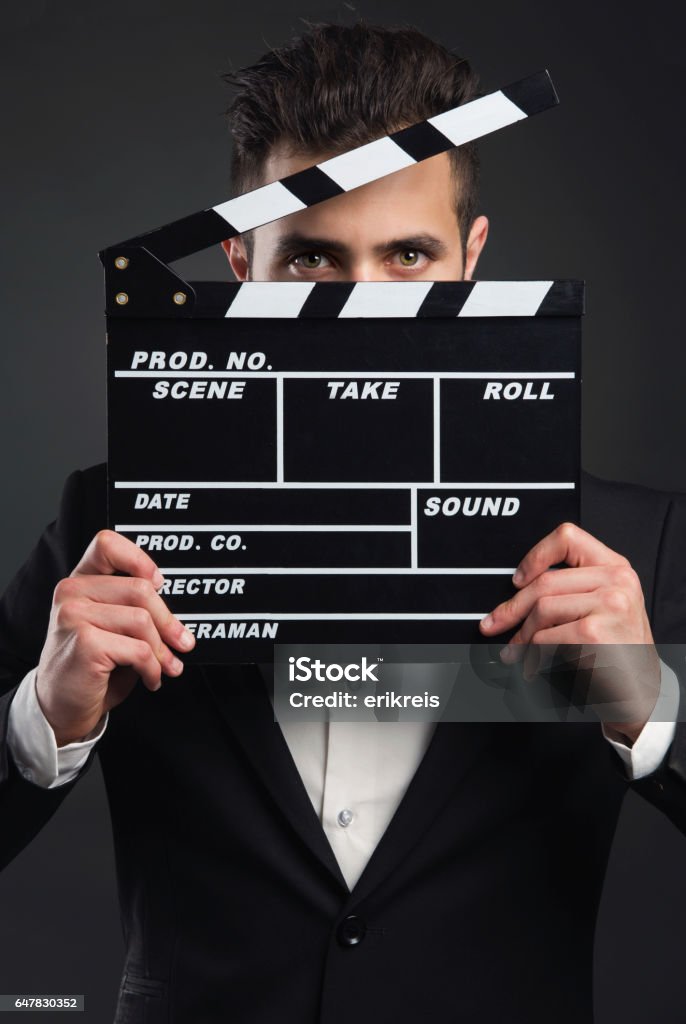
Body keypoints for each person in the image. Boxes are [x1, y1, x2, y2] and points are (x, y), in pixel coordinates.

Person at [1, 21, 685, 1024]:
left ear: (470, 260)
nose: (363, 310)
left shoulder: (625, 543)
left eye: (407, 254)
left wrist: (651, 708)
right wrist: (44, 719)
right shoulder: (110, 525)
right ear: (239, 265)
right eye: (313, 262)